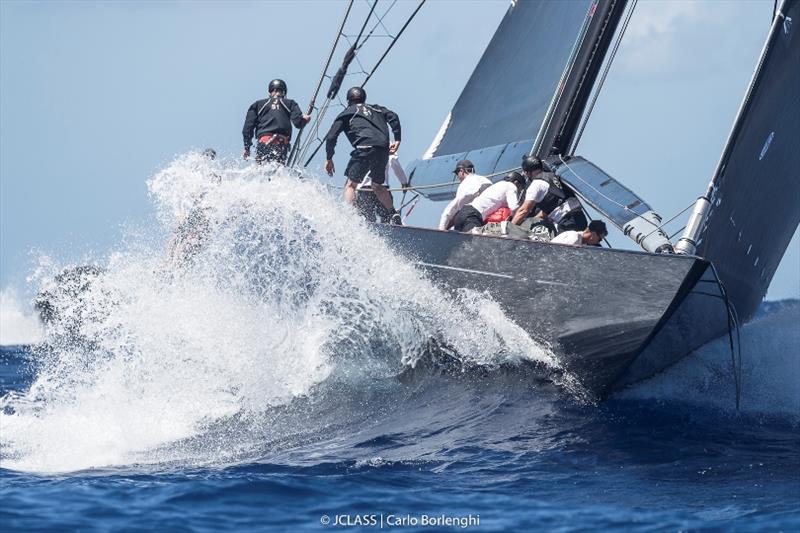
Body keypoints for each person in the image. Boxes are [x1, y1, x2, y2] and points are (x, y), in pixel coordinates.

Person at [324, 87, 401, 217]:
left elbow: (331, 137)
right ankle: (393, 214)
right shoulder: (377, 109)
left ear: (348, 100)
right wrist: (397, 139)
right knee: (377, 186)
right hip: (382, 150)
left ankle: (352, 217)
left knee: (350, 185)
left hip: (365, 148)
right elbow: (393, 117)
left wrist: (329, 158)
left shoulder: (346, 113)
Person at [511, 155, 587, 234]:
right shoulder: (553, 176)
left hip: (568, 221)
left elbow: (523, 210)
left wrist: (510, 227)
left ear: (528, 173)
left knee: (560, 245)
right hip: (579, 216)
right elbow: (547, 210)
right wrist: (531, 221)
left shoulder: (536, 185)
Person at [242, 79, 311, 165]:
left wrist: (247, 147)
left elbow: (247, 129)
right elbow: (298, 123)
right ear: (284, 92)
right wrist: (305, 119)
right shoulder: (290, 103)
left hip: (264, 142)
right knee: (278, 171)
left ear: (270, 91)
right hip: (280, 143)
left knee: (261, 170)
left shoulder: (257, 105)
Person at [451, 171, 527, 232]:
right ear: (516, 183)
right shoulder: (511, 186)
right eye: (521, 188)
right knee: (474, 244)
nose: (519, 191)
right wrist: (516, 222)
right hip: (472, 216)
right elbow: (514, 207)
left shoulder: (498, 185)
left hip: (462, 214)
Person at [438, 160, 492, 230]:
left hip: (470, 217)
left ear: (461, 171)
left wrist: (441, 228)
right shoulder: (485, 180)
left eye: (457, 173)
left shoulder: (465, 184)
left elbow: (452, 208)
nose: (457, 176)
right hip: (488, 217)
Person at [356, 154, 409, 224]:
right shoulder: (387, 144)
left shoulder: (362, 144)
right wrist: (404, 182)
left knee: (368, 218)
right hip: (381, 187)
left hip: (363, 188)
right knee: (386, 216)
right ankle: (389, 227)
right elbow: (393, 161)